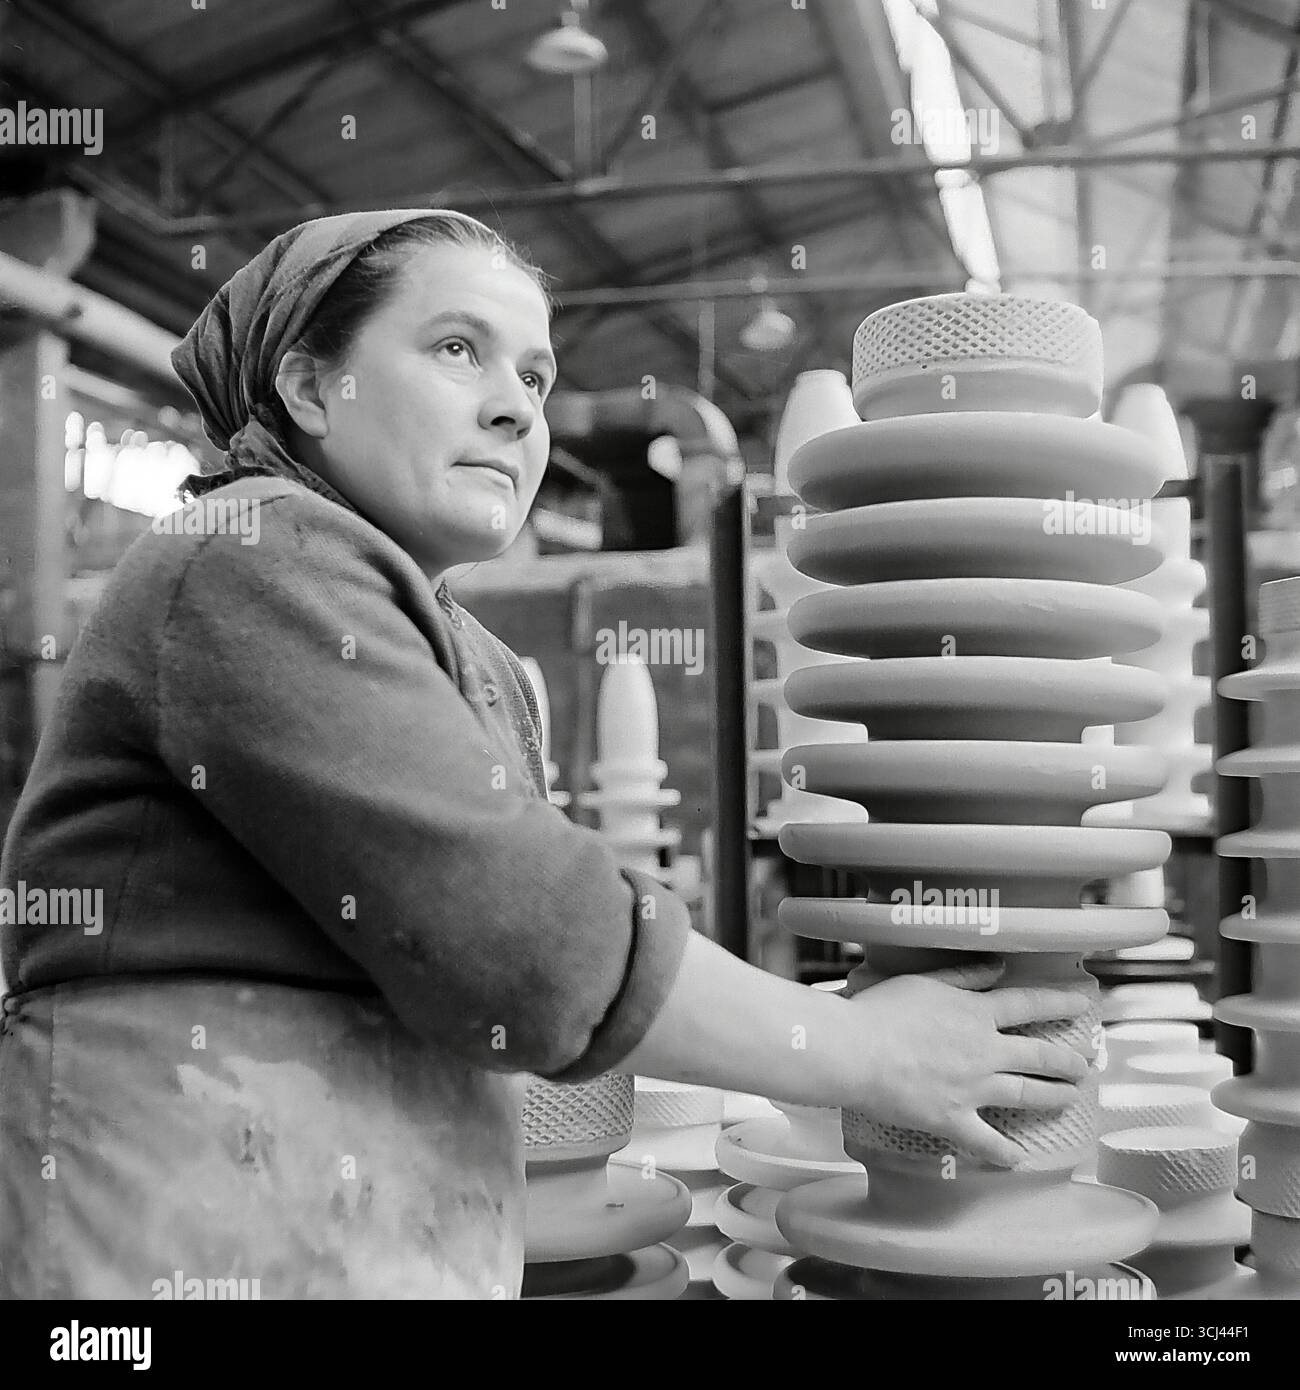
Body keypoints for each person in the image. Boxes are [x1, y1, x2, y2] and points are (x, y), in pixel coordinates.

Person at [0, 209, 1090, 1299]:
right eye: (455, 347)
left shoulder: (450, 639)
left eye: (535, 374)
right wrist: (862, 1052)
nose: (515, 406)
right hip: (174, 1245)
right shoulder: (245, 556)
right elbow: (522, 934)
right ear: (306, 384)